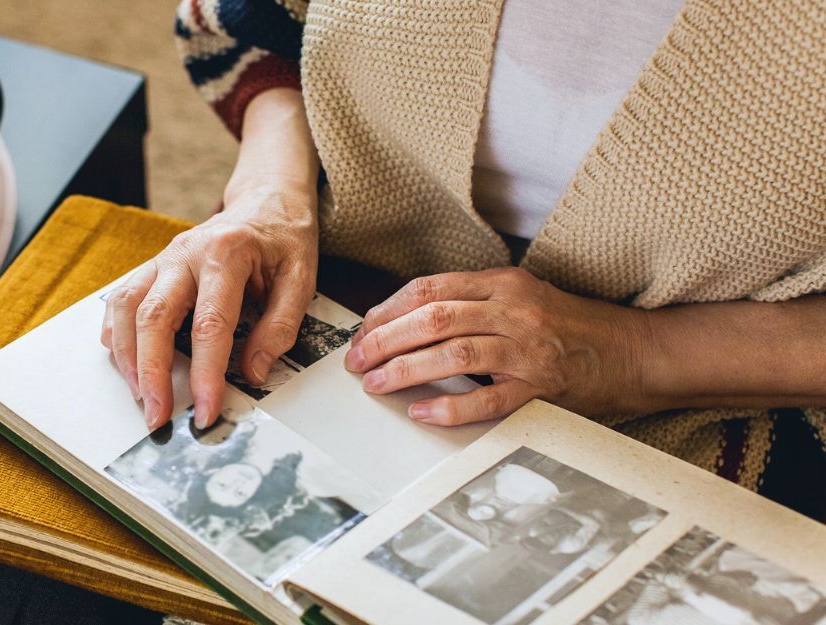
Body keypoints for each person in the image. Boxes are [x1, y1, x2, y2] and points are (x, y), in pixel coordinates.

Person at [100, 0, 826, 519]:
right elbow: (258, 21)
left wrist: (634, 354)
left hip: (730, 398)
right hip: (331, 294)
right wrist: (269, 194)